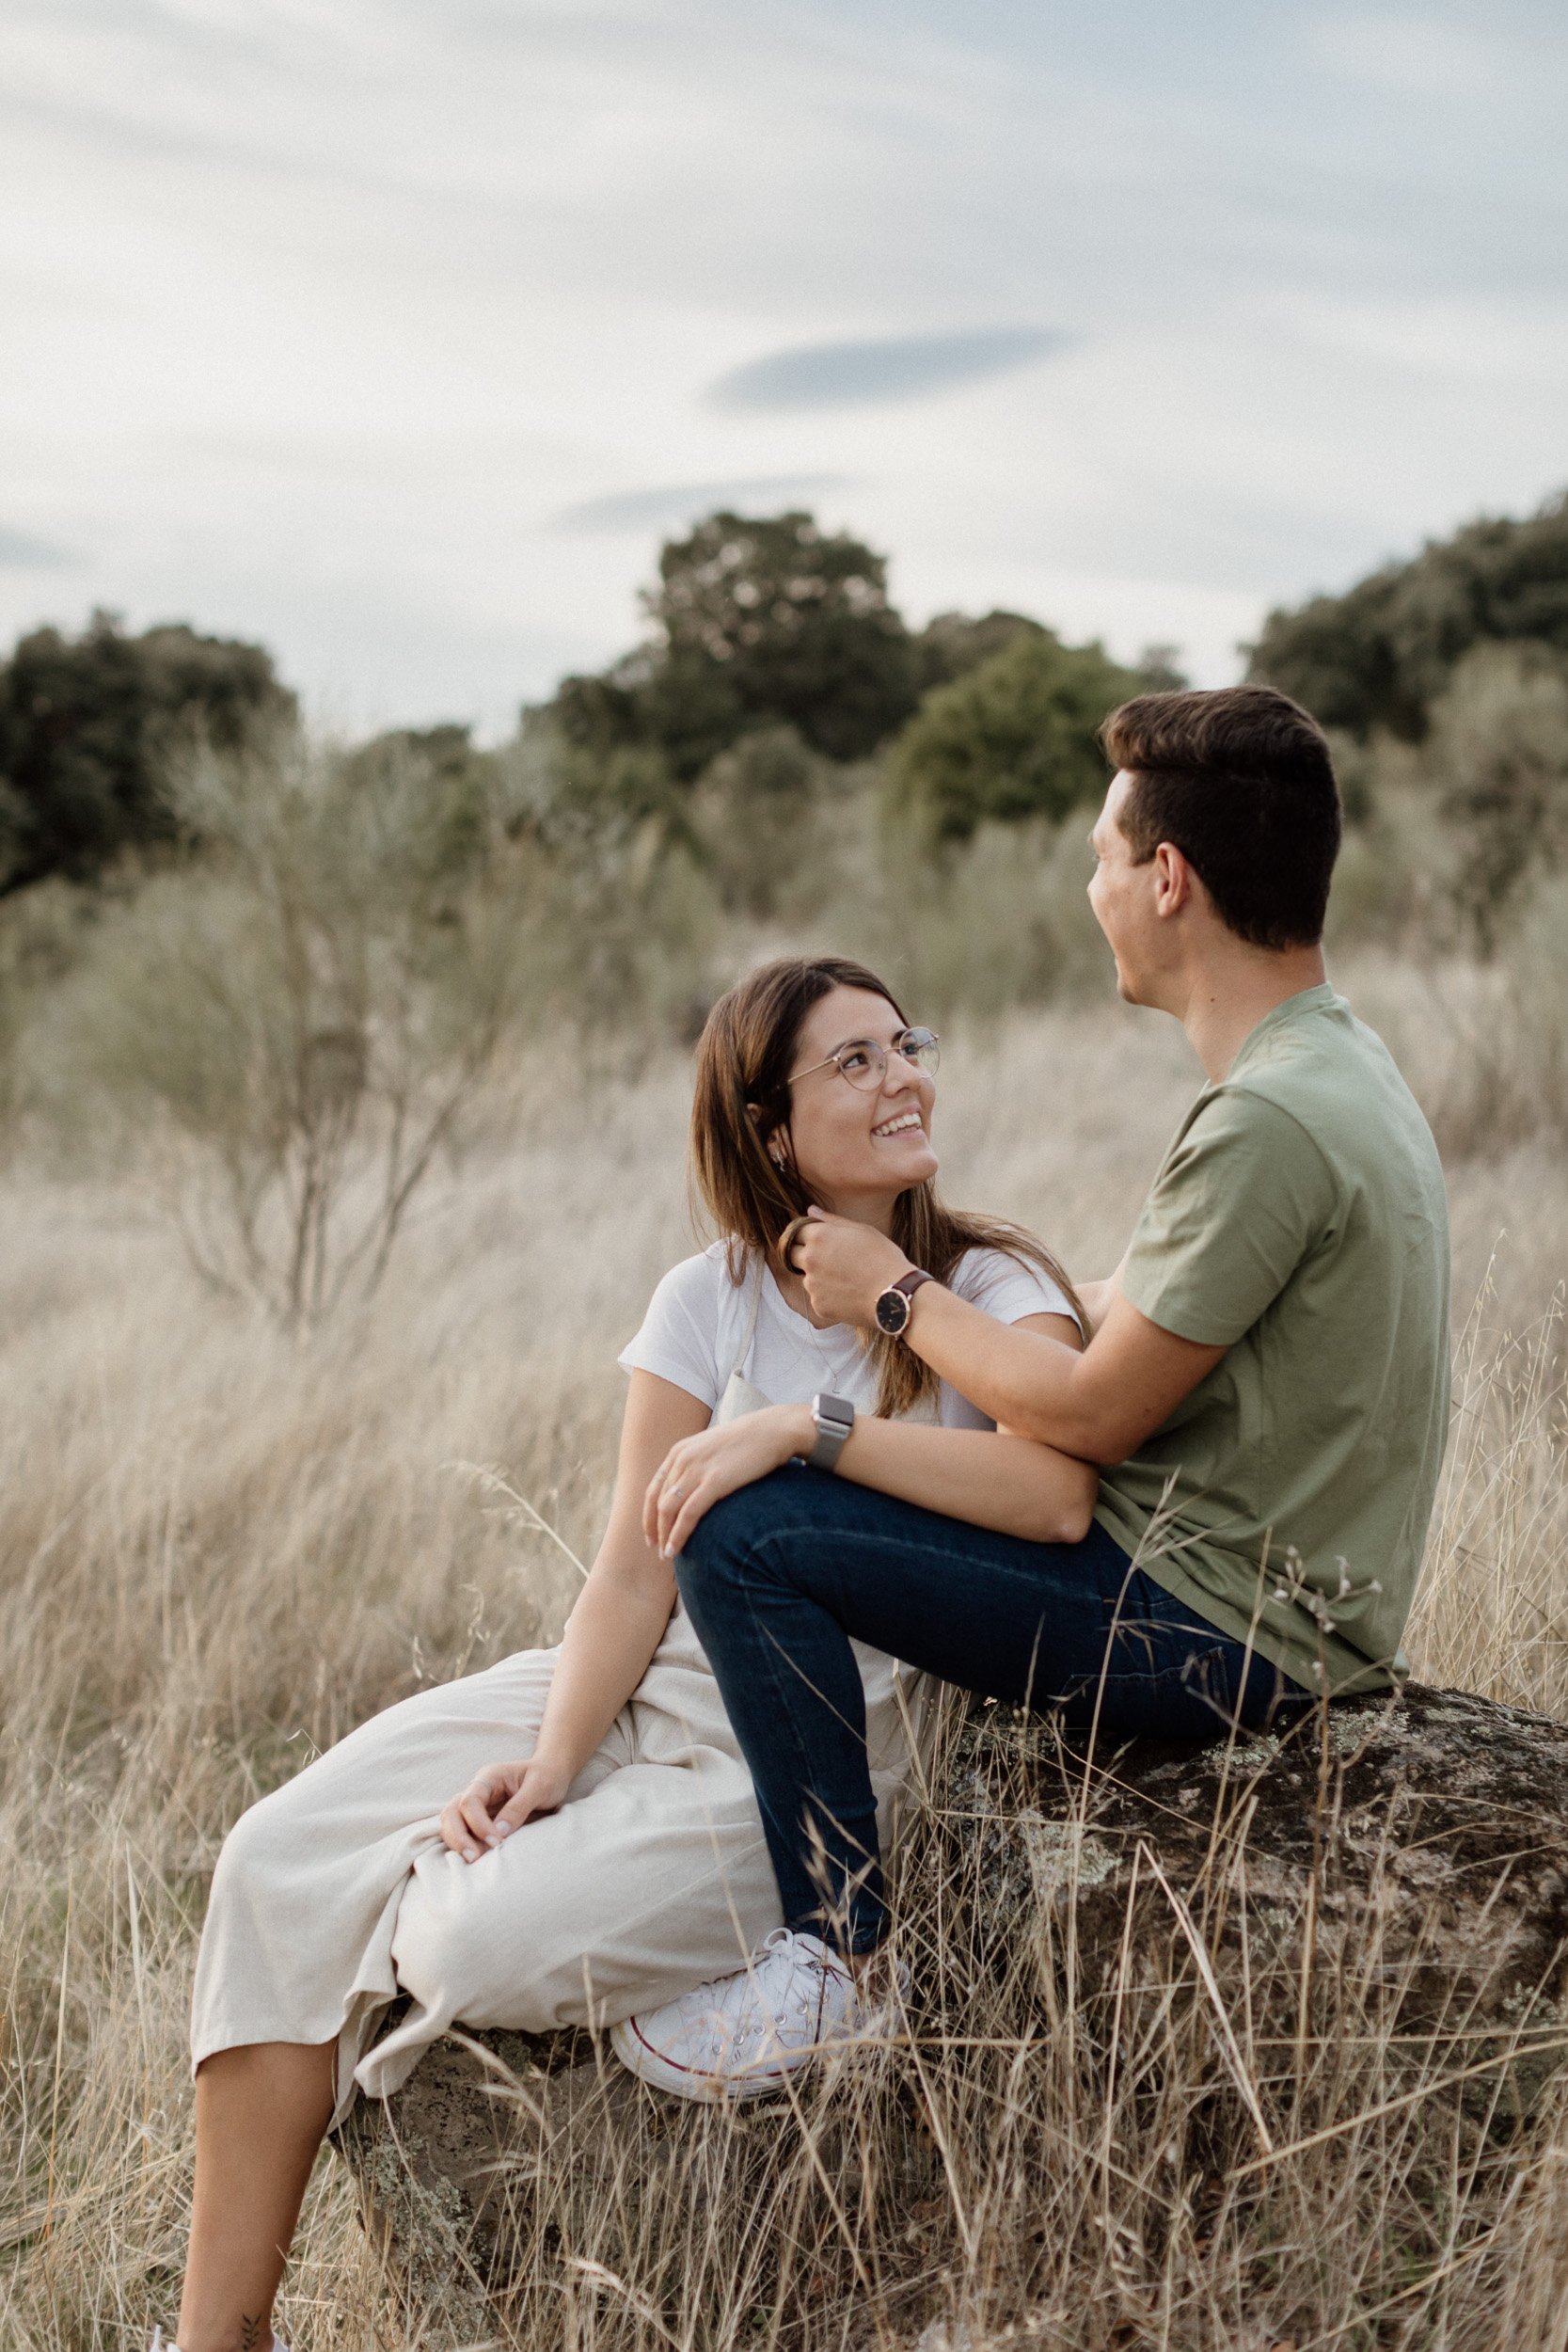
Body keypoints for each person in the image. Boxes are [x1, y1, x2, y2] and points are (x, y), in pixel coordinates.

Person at [164, 953, 1100, 2352]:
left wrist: (850, 1364)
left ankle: (451, 1918)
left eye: (904, 1044)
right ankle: (214, 2339)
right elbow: (627, 1565)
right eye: (854, 1062)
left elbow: (1057, 1493)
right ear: (770, 1130)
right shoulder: (707, 1295)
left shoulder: (985, 1282)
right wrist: (551, 1762)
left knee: (465, 1935)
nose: (903, 1077)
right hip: (640, 1680)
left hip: (810, 1743)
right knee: (273, 1858)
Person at [619, 684, 1451, 2099]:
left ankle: (840, 1960)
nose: (1092, 888)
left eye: (1101, 857)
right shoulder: (1339, 1071)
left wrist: (888, 1300)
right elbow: (1135, 1334)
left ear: (1168, 879)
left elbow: (1085, 1417)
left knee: (742, 1535)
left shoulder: (1264, 1121)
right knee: (778, 1500)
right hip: (1289, 1609)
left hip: (1212, 1625)